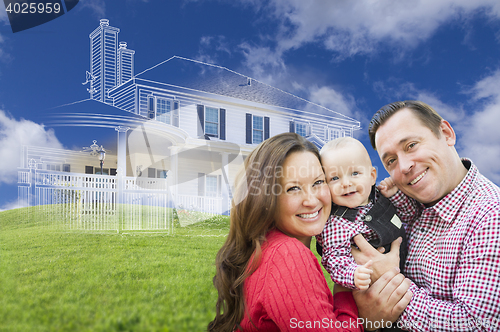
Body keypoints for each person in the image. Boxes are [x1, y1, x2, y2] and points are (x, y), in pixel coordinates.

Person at [207, 132, 411, 331]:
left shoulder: (267, 246)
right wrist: (362, 314)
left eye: (318, 182)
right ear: (266, 198)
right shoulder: (287, 255)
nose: (312, 201)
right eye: (293, 188)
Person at [353, 100, 500, 331]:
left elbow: (479, 324)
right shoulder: (406, 203)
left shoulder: (491, 216)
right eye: (391, 160)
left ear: (446, 133)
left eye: (411, 145)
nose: (404, 166)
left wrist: (388, 286)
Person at [316, 137, 407, 291]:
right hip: (375, 287)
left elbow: (408, 217)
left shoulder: (379, 197)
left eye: (355, 173)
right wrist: (353, 274)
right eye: (335, 178)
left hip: (409, 271)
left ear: (372, 176)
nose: (346, 183)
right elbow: (334, 259)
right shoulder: (336, 223)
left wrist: (394, 195)